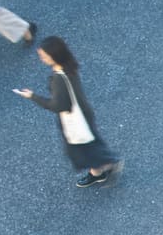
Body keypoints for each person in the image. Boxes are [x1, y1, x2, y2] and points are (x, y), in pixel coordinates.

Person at [14, 37, 117, 186]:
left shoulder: (59, 79)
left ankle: (103, 167)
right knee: (89, 142)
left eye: (44, 56)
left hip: (74, 118)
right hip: (83, 112)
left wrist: (32, 96)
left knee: (81, 148)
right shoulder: (69, 67)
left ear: (55, 56)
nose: (41, 58)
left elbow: (57, 106)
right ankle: (102, 167)